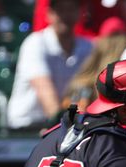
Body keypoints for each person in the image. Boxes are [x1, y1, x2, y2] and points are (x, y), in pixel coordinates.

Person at [7, 0, 93, 130]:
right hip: (26, 128)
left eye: (71, 9)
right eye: (60, 10)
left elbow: (89, 91)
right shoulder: (35, 43)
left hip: (63, 126)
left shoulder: (87, 47)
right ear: (49, 14)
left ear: (79, 13)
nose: (66, 15)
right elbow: (49, 101)